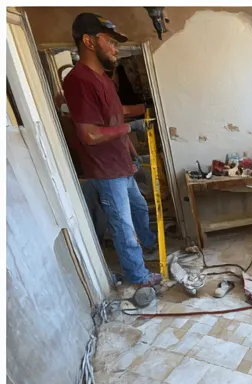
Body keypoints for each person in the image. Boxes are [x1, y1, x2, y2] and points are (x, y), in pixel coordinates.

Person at [62, 13, 160, 287]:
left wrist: (132, 153)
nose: (115, 49)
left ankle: (151, 247)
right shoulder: (78, 80)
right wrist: (131, 129)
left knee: (140, 209)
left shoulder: (104, 78)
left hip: (122, 165)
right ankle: (137, 275)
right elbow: (90, 134)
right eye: (110, 42)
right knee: (123, 226)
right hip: (106, 172)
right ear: (89, 42)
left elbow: (115, 117)